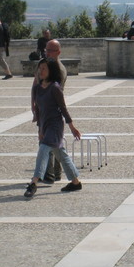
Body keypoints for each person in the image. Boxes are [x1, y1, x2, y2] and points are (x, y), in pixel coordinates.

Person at [24, 58, 83, 198]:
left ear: (51, 71)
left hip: (55, 126)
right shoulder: (37, 88)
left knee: (43, 149)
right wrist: (40, 129)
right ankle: (75, 182)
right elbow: (38, 110)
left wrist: (72, 127)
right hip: (45, 125)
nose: (41, 71)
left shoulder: (55, 87)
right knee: (60, 154)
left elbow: (63, 108)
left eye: (44, 68)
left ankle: (34, 182)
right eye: (40, 68)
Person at [33, 39, 67, 183]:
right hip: (43, 108)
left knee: (48, 141)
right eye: (46, 50)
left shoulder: (58, 69)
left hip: (51, 110)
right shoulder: (44, 65)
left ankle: (49, 173)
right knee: (53, 142)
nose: (47, 53)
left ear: (58, 52)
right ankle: (54, 173)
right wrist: (33, 104)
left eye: (51, 50)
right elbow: (35, 85)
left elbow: (55, 92)